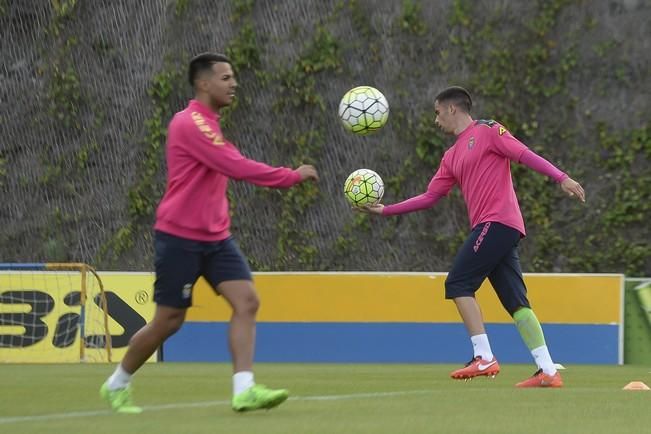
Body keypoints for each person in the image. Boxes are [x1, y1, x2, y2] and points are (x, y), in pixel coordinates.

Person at [100, 53, 319, 413]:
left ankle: (244, 389)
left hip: (216, 238)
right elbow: (235, 165)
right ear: (203, 83)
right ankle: (117, 383)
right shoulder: (190, 124)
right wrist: (290, 176)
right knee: (168, 321)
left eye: (233, 77)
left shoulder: (211, 124)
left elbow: (226, 165)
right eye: (226, 77)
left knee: (247, 301)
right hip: (179, 237)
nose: (234, 84)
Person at [357, 86, 585, 387]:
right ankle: (548, 371)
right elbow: (429, 197)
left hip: (498, 222)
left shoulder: (489, 130)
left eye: (438, 113)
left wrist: (562, 177)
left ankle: (484, 356)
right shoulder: (450, 156)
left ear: (453, 109)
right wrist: (385, 210)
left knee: (458, 282)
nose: (436, 120)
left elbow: (524, 155)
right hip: (495, 229)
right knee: (516, 303)